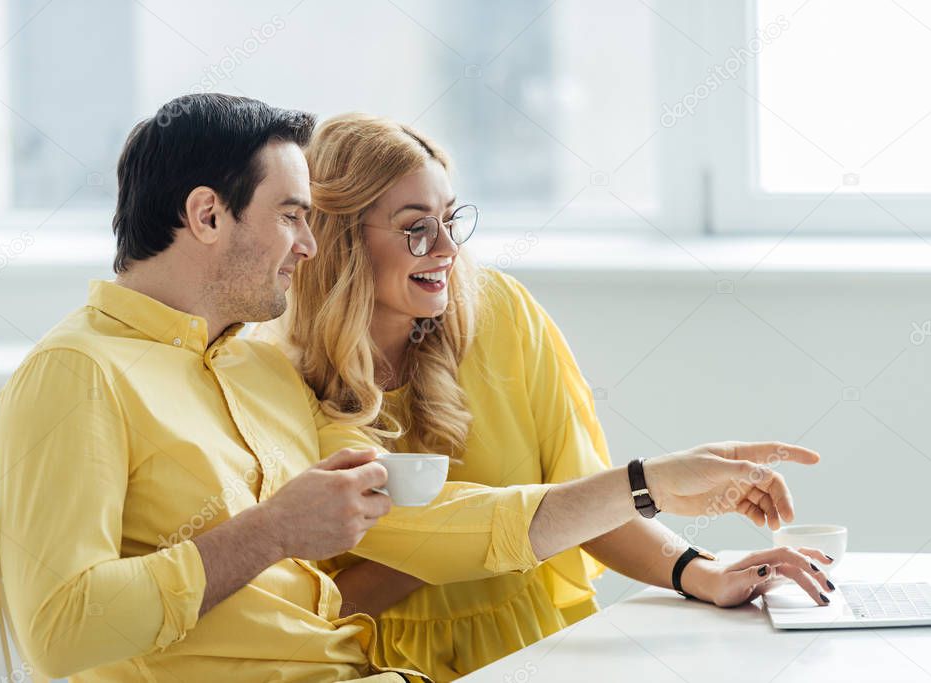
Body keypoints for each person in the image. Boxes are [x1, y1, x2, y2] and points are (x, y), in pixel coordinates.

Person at [0, 94, 827, 683]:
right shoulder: (79, 373)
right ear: (207, 215)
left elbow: (427, 521)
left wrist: (648, 481)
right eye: (290, 215)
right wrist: (271, 532)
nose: (307, 247)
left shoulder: (248, 368)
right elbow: (60, 634)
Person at [264, 112, 836, 680]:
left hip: (532, 647)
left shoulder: (503, 315)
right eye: (417, 227)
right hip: (369, 664)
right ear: (340, 240)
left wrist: (704, 573)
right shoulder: (274, 377)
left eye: (450, 219)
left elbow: (587, 502)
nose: (446, 248)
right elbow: (303, 609)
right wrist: (467, 540)